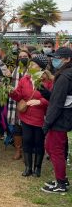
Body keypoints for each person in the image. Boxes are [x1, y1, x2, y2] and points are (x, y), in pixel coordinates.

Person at [10, 54, 53, 177]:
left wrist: (40, 101)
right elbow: (19, 95)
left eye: (33, 64)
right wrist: (12, 93)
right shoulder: (25, 79)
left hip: (40, 117)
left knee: (39, 142)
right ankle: (28, 167)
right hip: (26, 116)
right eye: (30, 64)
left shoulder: (48, 81)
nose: (30, 66)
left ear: (40, 67)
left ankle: (37, 168)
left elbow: (53, 97)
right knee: (27, 140)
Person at [41, 47, 72, 193]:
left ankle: (61, 184)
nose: (54, 60)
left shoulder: (65, 77)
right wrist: (45, 92)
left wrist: (47, 123)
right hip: (63, 118)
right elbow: (57, 97)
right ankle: (61, 179)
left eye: (57, 58)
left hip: (59, 119)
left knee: (55, 150)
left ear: (67, 59)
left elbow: (57, 103)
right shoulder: (66, 74)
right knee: (53, 148)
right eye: (53, 58)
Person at [7, 50, 31, 160]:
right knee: (17, 128)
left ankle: (27, 150)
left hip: (29, 102)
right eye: (20, 57)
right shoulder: (15, 70)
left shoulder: (33, 71)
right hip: (16, 102)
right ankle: (18, 150)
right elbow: (11, 84)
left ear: (29, 57)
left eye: (25, 56)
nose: (22, 58)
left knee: (27, 128)